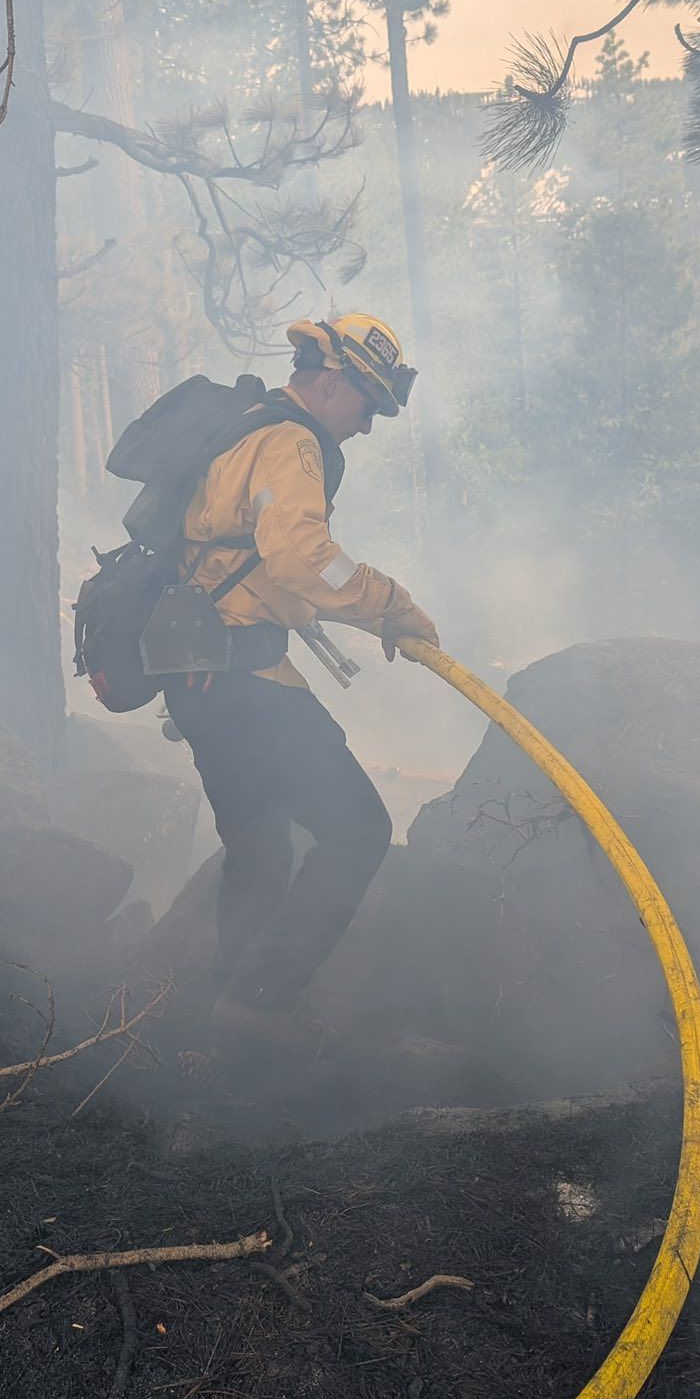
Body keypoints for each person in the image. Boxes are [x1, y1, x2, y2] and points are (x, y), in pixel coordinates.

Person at [161, 313, 439, 1057]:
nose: (369, 426)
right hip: (248, 682)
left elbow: (254, 561)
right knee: (359, 831)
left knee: (256, 847)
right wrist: (391, 605)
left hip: (200, 678)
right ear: (329, 380)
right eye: (367, 405)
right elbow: (301, 558)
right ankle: (260, 998)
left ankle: (231, 1010)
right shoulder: (289, 440)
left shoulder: (246, 426)